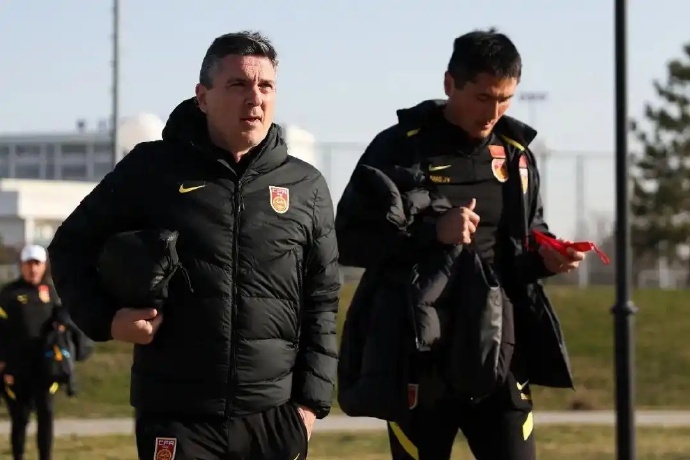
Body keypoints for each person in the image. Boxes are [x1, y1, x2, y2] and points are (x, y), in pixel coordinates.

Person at [47, 31, 340, 460]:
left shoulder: (306, 186)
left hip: (273, 420)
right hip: (176, 416)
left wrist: (309, 408)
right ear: (202, 97)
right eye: (238, 84)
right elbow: (70, 247)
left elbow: (322, 300)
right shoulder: (151, 169)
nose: (255, 98)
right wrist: (107, 319)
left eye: (266, 86)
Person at [336, 29, 585, 460]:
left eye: (505, 99)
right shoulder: (397, 148)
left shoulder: (516, 154)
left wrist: (547, 259)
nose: (493, 112)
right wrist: (433, 234)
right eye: (483, 97)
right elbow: (348, 240)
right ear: (450, 84)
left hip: (497, 350)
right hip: (420, 353)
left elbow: (521, 249)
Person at [0, 244, 63, 460]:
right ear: (21, 266)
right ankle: (18, 456)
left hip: (45, 367)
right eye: (28, 264)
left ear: (44, 266)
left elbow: (63, 317)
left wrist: (62, 323)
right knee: (20, 417)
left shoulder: (52, 293)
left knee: (46, 414)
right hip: (17, 368)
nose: (33, 268)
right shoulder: (9, 294)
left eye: (37, 264)